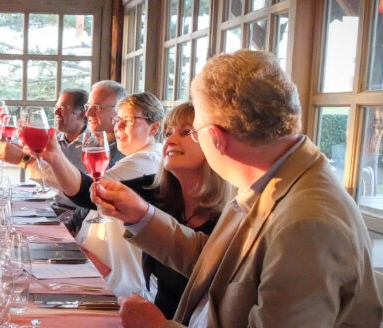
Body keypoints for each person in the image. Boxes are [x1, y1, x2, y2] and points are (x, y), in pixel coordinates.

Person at [93, 50, 383, 327]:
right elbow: (219, 265)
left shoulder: (305, 223)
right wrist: (141, 215)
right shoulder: (273, 179)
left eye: (193, 130)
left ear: (215, 137)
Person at [66, 102, 233, 318]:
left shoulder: (231, 216)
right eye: (169, 132)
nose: (171, 140)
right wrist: (50, 155)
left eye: (185, 132)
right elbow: (87, 194)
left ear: (215, 142)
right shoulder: (158, 191)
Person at [38, 92, 165, 297]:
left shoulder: (146, 161)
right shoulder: (136, 157)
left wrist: (51, 156)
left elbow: (87, 191)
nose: (119, 127)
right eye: (118, 120)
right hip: (98, 269)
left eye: (129, 120)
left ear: (154, 128)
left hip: (117, 284)